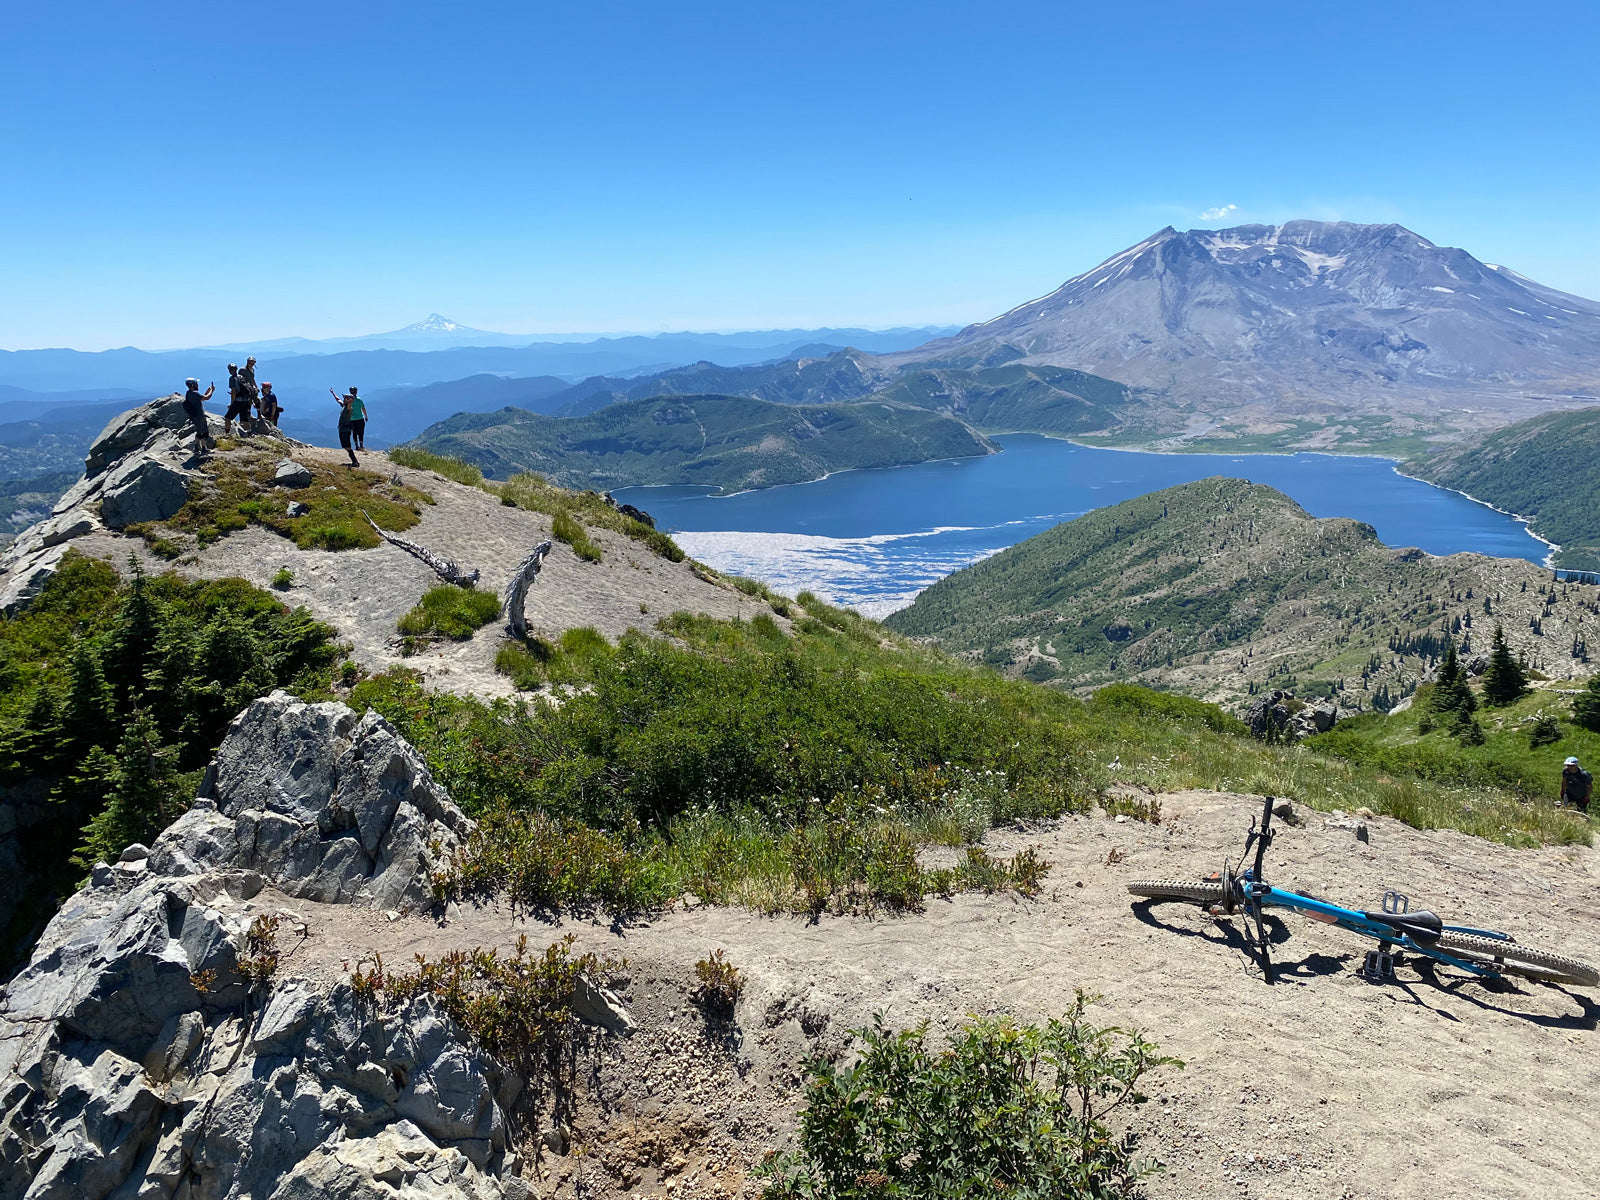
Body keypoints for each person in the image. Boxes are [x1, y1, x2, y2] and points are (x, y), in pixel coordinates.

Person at [182, 377, 216, 452]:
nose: (197, 385)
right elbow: (206, 398)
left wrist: (208, 390)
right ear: (192, 385)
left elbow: (202, 398)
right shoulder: (194, 393)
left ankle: (196, 447)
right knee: (204, 431)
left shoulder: (189, 393)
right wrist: (212, 391)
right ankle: (204, 448)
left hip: (194, 415)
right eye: (196, 384)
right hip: (199, 415)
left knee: (199, 431)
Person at [329, 386, 360, 467]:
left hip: (345, 429)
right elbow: (338, 399)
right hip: (342, 428)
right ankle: (354, 461)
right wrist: (333, 393)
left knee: (347, 446)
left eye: (345, 398)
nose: (343, 399)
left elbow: (349, 405)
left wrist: (350, 401)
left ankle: (355, 461)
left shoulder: (349, 408)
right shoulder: (343, 406)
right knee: (345, 446)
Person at [224, 363, 254, 436]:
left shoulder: (232, 379)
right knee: (244, 419)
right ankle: (250, 433)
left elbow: (233, 391)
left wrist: (232, 403)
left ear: (230, 370)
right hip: (245, 401)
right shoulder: (241, 377)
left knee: (227, 418)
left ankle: (227, 435)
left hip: (238, 402)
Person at [347, 385, 368, 449]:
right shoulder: (359, 400)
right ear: (356, 392)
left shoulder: (348, 401)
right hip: (360, 418)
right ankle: (361, 445)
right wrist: (366, 416)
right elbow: (363, 408)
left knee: (354, 433)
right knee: (361, 432)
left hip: (352, 419)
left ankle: (356, 445)